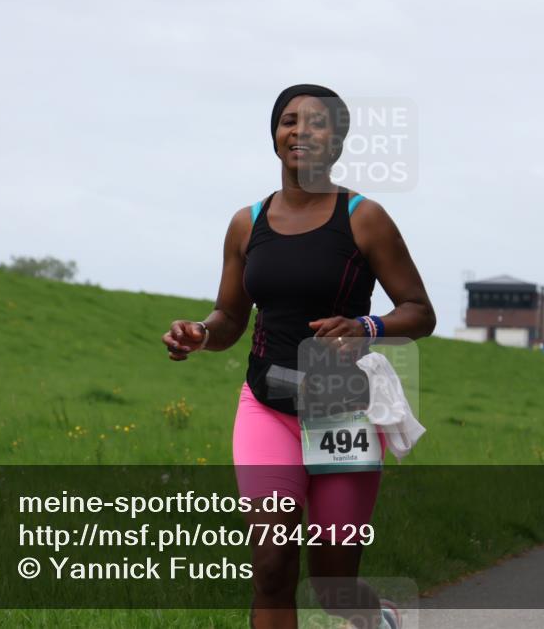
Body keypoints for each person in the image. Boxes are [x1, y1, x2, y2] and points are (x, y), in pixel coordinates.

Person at [162, 84, 436, 629]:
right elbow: (230, 317)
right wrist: (201, 333)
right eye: (290, 121)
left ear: (337, 142)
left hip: (343, 409)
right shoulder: (248, 222)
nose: (302, 132)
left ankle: (375, 617)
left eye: (317, 123)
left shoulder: (364, 217)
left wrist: (367, 326)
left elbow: (419, 311)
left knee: (332, 585)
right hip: (266, 406)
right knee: (271, 566)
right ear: (274, 135)